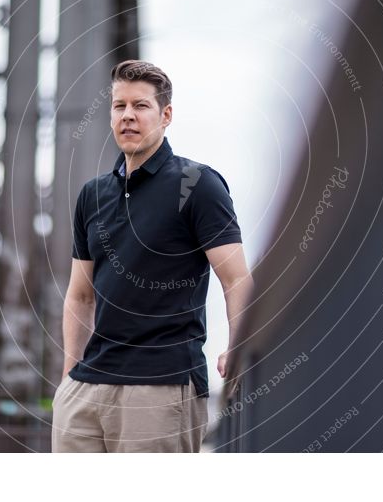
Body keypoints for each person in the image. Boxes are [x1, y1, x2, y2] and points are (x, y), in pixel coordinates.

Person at [51, 60, 253, 453]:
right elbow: (80, 296)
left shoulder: (198, 184)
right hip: (86, 389)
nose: (128, 115)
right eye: (119, 106)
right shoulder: (92, 196)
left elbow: (236, 278)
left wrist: (239, 346)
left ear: (166, 115)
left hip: (161, 389)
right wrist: (68, 377)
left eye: (140, 106)